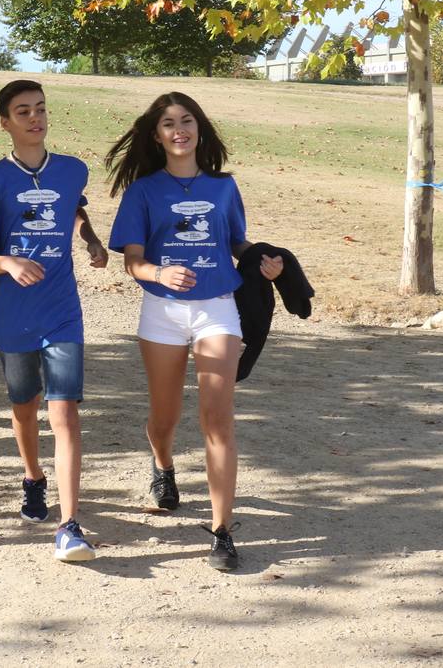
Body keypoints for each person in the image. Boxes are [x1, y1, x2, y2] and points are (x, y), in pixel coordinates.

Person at [105, 92, 283, 572]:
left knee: (217, 419)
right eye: (168, 123)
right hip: (162, 311)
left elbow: (238, 242)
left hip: (217, 310)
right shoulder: (143, 191)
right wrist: (159, 274)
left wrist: (265, 262)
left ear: (199, 129)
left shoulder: (224, 187)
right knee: (164, 417)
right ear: (156, 134)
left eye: (186, 121)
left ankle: (222, 530)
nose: (178, 129)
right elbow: (133, 260)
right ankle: (162, 465)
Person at [0, 80, 108, 562]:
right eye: (22, 112)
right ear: (5, 123)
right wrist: (7, 263)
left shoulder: (71, 170)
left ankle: (69, 525)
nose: (34, 118)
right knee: (25, 405)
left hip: (63, 310)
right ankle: (32, 478)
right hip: (12, 314)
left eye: (40, 109)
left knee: (64, 413)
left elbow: (76, 207)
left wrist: (90, 240)